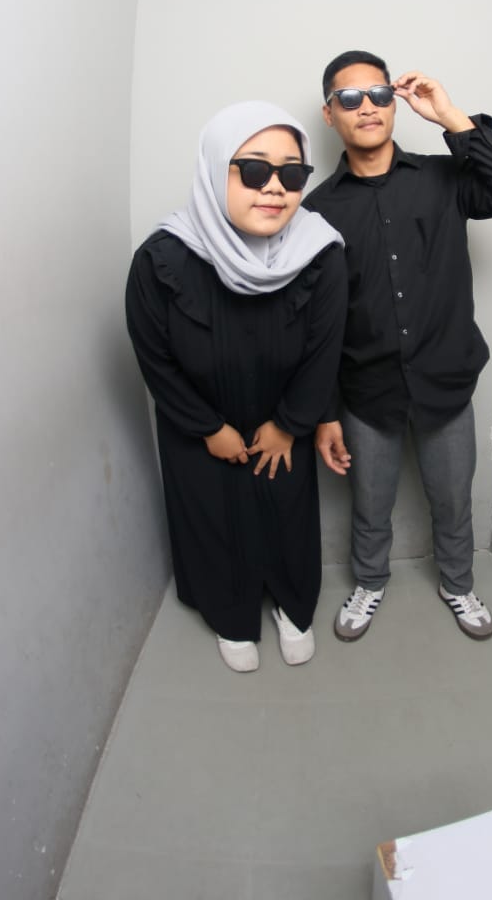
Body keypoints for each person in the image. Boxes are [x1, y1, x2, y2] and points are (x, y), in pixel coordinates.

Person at [304, 52, 492, 643]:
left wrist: (449, 115)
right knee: (369, 504)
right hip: (366, 392)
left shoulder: (445, 177)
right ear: (330, 113)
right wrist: (326, 413)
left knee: (453, 500)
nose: (367, 107)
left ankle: (458, 583)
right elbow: (317, 326)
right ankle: (369, 581)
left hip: (445, 382)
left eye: (379, 94)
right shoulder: (316, 211)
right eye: (349, 98)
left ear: (394, 102)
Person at [125, 102, 346, 673]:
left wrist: (289, 425)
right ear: (214, 168)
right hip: (197, 423)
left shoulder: (320, 251)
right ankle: (231, 613)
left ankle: (292, 604)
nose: (274, 187)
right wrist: (207, 428)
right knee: (211, 517)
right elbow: (155, 359)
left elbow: (324, 351)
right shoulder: (160, 259)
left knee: (287, 513)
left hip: (285, 419)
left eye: (292, 173)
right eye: (253, 169)